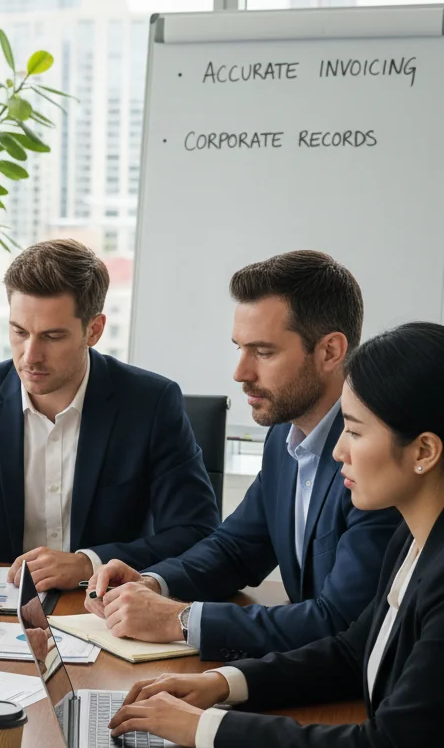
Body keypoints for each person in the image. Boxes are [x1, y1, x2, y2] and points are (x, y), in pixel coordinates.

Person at [107, 322, 444, 748]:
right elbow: (352, 650)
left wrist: (203, 732)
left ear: (423, 451)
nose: (339, 450)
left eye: (358, 431)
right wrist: (221, 685)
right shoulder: (413, 536)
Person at [85, 250, 399, 660]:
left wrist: (178, 619)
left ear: (330, 351)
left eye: (263, 352)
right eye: (239, 348)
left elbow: (340, 620)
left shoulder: (375, 457)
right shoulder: (285, 436)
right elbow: (236, 548)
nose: (240, 373)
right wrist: (153, 583)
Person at [0, 239, 220, 591]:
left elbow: (196, 532)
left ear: (94, 330)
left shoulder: (151, 403)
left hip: (105, 607)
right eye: (19, 332)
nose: (30, 356)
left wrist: (88, 562)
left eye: (52, 336)